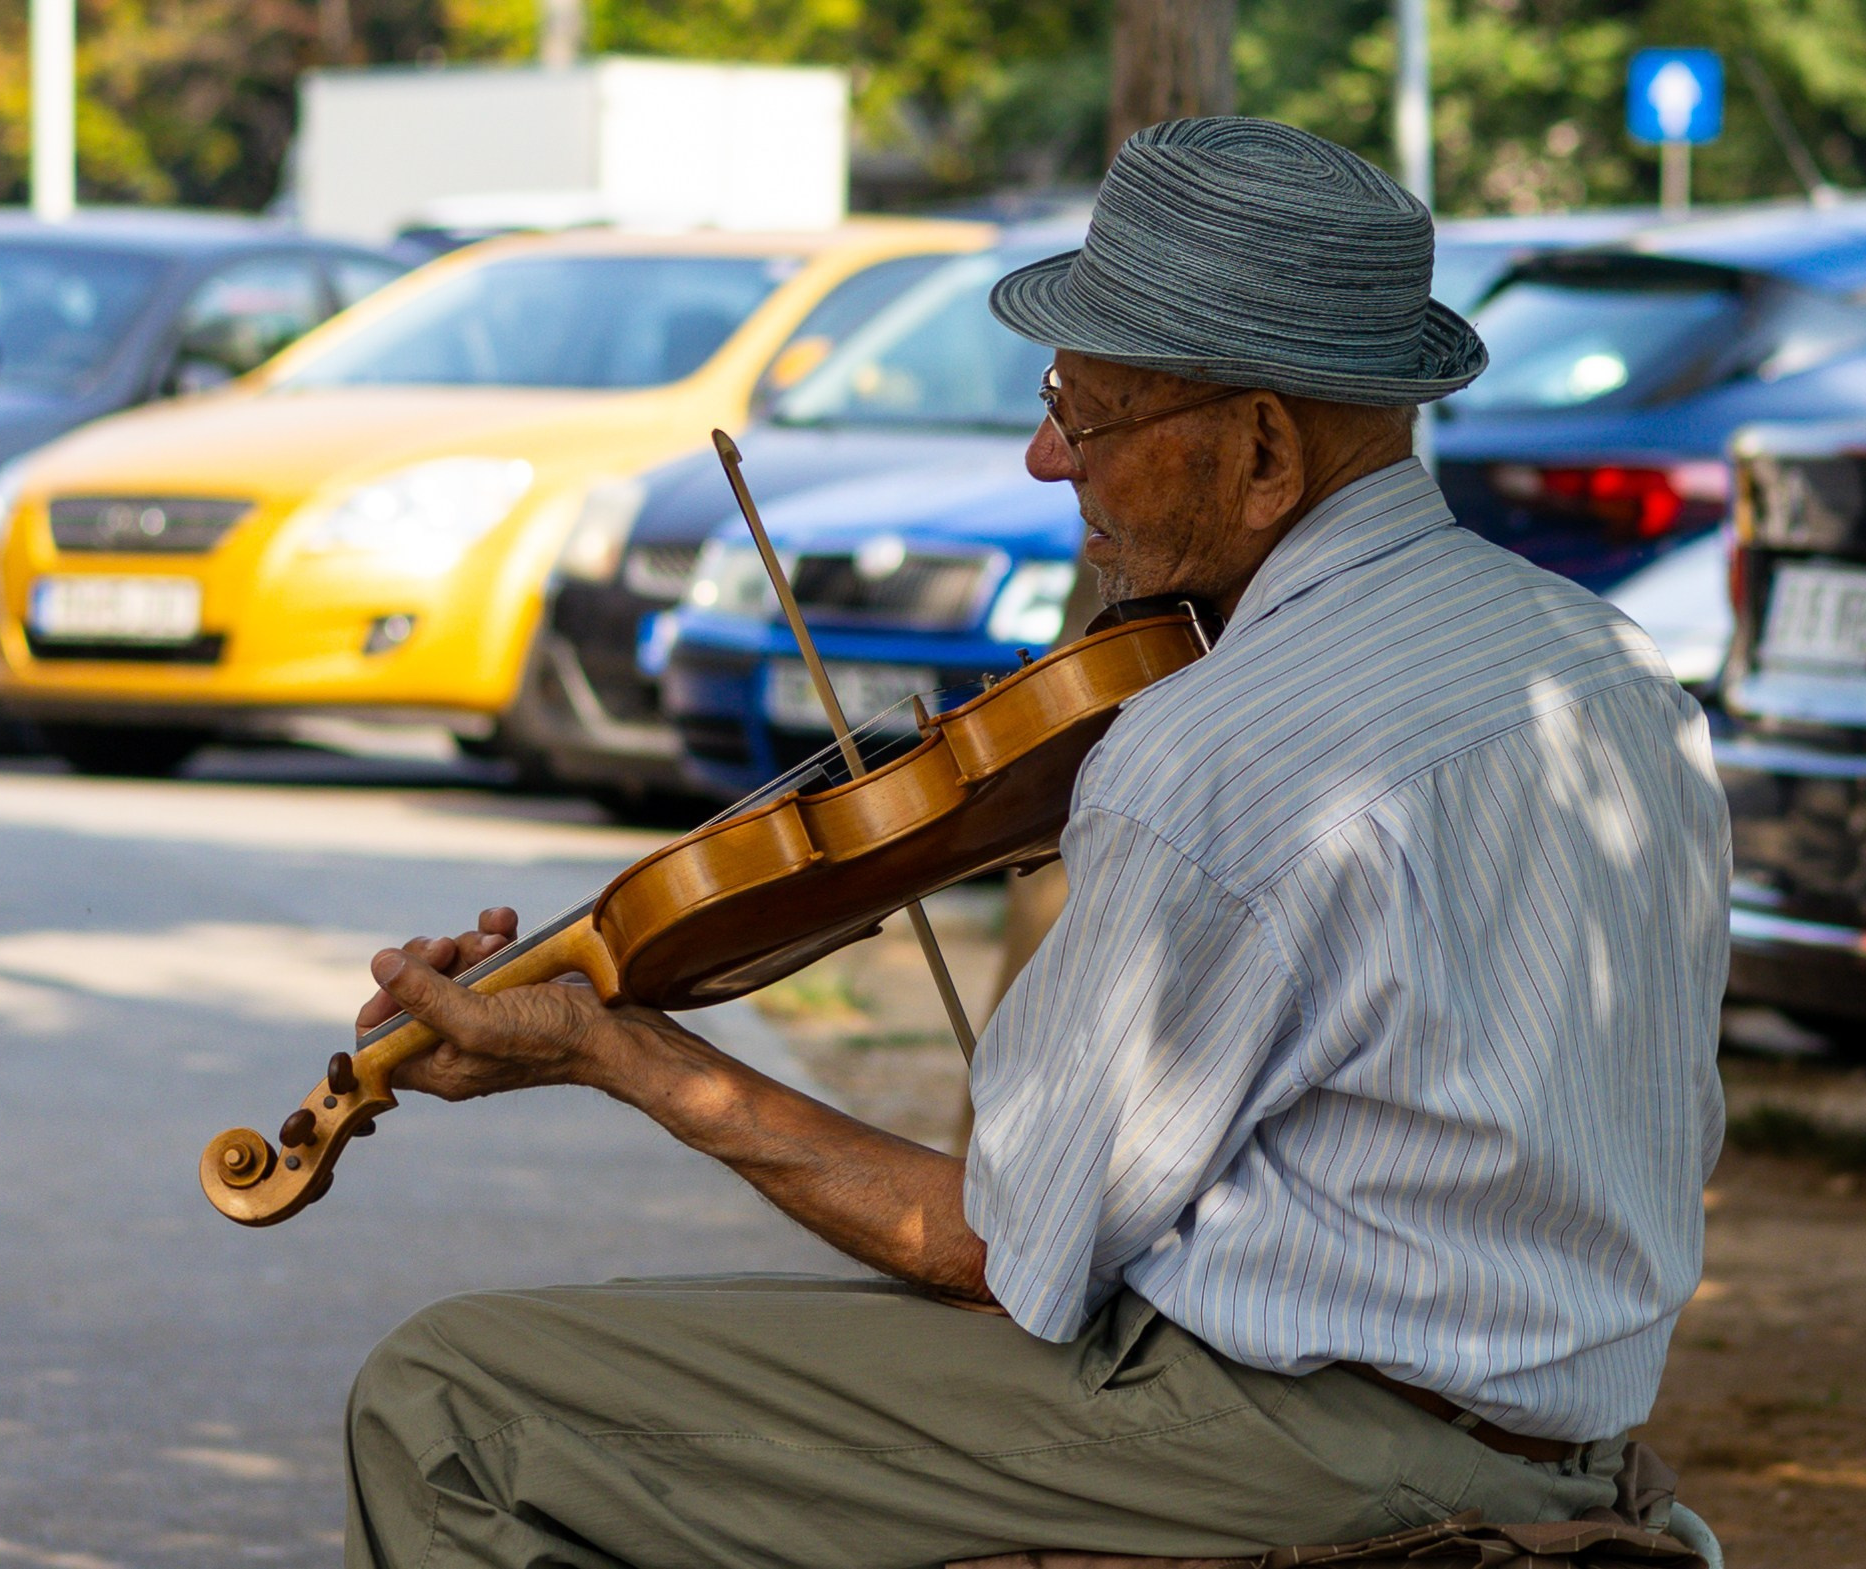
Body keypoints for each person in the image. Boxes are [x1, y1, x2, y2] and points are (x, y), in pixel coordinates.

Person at [339, 118, 1730, 1568]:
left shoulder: (1215, 753)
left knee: (450, 1406)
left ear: (1260, 445)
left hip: (1285, 1445)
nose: (1043, 452)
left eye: (1086, 410)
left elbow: (995, 1257)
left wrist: (613, 1051)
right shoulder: (1611, 672)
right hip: (1565, 1434)